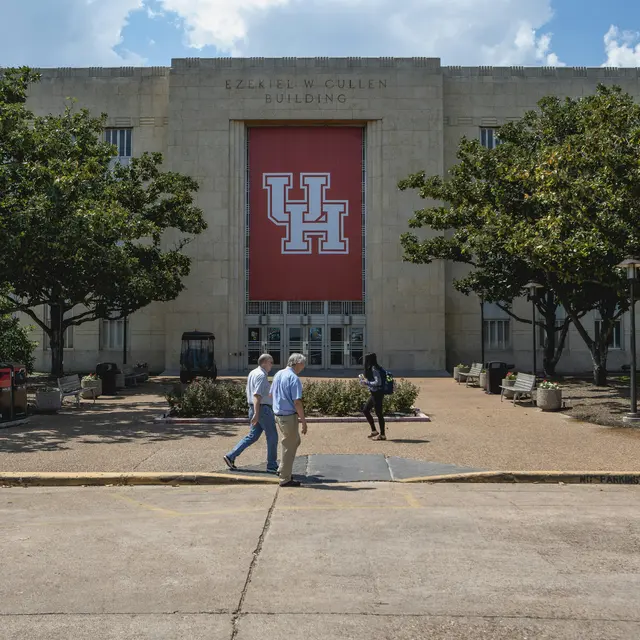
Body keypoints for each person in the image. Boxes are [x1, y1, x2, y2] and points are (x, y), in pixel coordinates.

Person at [223, 354, 278, 473]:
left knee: (253, 436)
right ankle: (272, 466)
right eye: (271, 362)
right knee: (272, 436)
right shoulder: (261, 375)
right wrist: (257, 414)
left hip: (254, 408)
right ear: (264, 362)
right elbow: (257, 395)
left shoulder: (253, 373)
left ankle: (231, 456)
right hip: (262, 409)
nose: (272, 365)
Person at [271, 353, 307, 487]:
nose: (303, 366)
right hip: (288, 416)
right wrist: (303, 421)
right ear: (297, 363)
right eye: (303, 363)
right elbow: (297, 402)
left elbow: (271, 393)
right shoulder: (294, 378)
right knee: (289, 446)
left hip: (279, 415)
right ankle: (285, 478)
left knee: (293, 441)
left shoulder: (278, 374)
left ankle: (282, 469)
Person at [359, 352, 386, 440]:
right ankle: (374, 431)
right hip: (375, 393)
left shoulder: (374, 369)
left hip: (377, 393)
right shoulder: (376, 367)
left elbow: (378, 382)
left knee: (379, 414)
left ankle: (382, 435)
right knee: (366, 410)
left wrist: (366, 382)